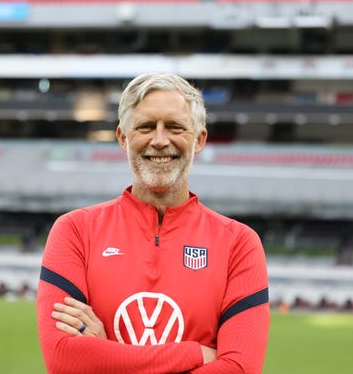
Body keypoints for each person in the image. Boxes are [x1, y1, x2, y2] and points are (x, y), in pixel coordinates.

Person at [36, 73, 270, 373]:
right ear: (123, 137)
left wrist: (107, 355)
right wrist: (195, 354)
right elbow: (63, 359)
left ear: (199, 140)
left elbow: (240, 368)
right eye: (146, 127)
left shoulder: (239, 244)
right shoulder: (75, 232)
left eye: (175, 127)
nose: (160, 141)